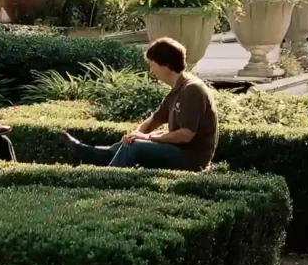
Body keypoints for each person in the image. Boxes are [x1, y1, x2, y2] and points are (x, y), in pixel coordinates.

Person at [61, 37, 219, 170]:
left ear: (166, 65)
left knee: (134, 148)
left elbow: (186, 135)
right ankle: (86, 152)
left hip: (191, 159)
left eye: (152, 64)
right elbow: (154, 120)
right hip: (179, 151)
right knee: (128, 144)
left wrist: (149, 137)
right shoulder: (177, 89)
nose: (151, 70)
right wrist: (135, 134)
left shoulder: (192, 90)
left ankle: (106, 179)